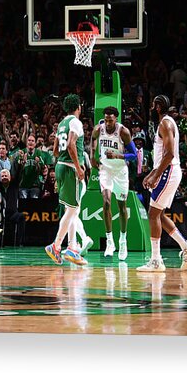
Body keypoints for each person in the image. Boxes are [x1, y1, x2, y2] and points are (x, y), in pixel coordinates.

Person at [138, 95, 187, 272]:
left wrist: (156, 175)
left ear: (157, 107)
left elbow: (170, 154)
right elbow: (162, 155)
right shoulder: (166, 122)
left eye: (152, 105)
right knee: (159, 214)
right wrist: (152, 173)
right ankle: (186, 247)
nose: (150, 108)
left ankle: (156, 260)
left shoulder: (165, 123)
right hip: (165, 171)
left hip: (168, 171)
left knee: (153, 214)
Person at [45, 94, 88, 266]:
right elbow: (71, 144)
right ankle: (56, 246)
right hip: (70, 167)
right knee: (72, 210)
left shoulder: (62, 123)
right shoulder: (75, 122)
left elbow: (55, 150)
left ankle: (72, 247)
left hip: (60, 166)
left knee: (73, 209)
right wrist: (78, 167)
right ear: (78, 107)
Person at [91, 106, 136, 260]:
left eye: (111, 120)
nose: (108, 123)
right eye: (106, 119)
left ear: (116, 119)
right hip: (105, 171)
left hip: (120, 172)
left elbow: (134, 155)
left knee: (122, 206)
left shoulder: (123, 132)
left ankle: (122, 240)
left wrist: (117, 155)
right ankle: (110, 241)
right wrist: (92, 155)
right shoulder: (99, 129)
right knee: (106, 202)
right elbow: (93, 139)